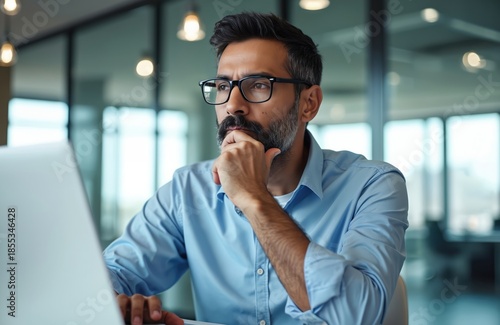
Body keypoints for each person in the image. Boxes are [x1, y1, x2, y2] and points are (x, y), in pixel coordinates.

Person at [103, 12, 409, 325]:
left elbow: (355, 317)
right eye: (223, 86)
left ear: (309, 104)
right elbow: (106, 279)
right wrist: (123, 307)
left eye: (259, 85)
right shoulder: (188, 190)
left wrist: (253, 197)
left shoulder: (372, 185)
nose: (233, 104)